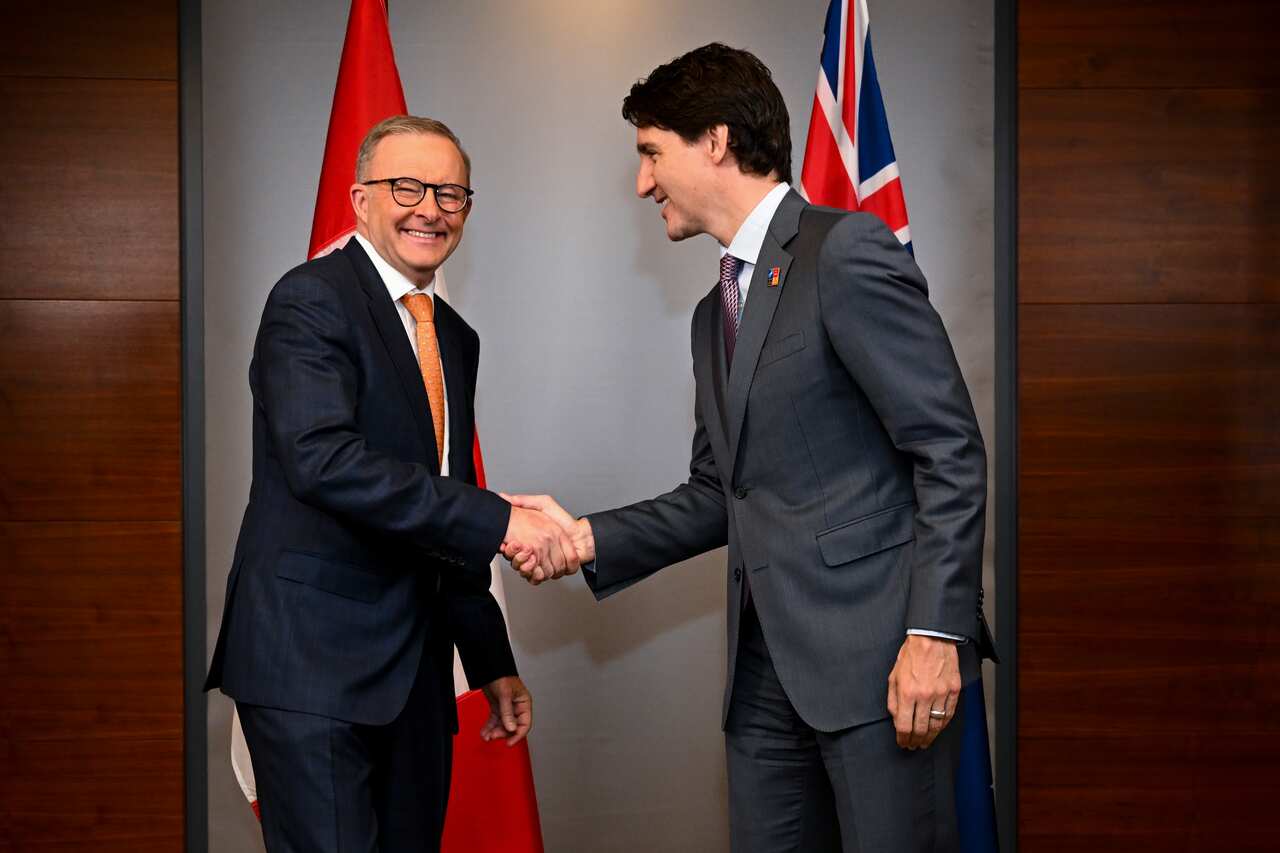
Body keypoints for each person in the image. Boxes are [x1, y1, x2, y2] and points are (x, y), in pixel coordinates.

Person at [506, 44, 994, 852]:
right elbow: (720, 492)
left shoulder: (846, 251)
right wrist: (583, 539)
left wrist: (936, 634)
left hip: (883, 666)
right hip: (764, 681)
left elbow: (948, 447)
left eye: (651, 153)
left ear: (717, 141)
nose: (641, 182)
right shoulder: (713, 313)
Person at [204, 115, 579, 853]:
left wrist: (491, 661)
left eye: (450, 192)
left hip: (415, 674)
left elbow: (443, 498)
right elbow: (322, 459)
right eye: (406, 185)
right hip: (310, 667)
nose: (429, 207)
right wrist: (501, 519)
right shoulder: (310, 300)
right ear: (360, 199)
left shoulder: (455, 337)